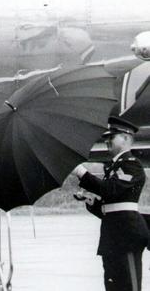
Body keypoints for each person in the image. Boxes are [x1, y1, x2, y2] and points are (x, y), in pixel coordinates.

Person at [72, 116, 149, 291]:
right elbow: (111, 207)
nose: (107, 141)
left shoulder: (132, 166)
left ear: (126, 138)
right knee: (113, 286)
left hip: (127, 237)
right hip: (114, 237)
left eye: (111, 137)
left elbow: (110, 190)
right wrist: (92, 202)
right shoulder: (115, 168)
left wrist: (81, 172)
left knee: (129, 286)